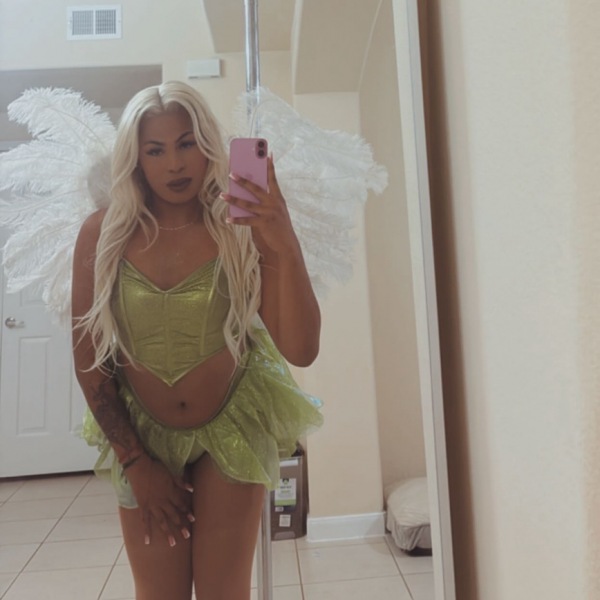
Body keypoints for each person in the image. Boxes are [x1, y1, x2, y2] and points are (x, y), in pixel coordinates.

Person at [71, 80, 323, 600]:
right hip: (141, 435)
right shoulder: (103, 233)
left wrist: (282, 238)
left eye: (186, 143)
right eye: (155, 150)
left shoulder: (240, 228)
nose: (175, 164)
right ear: (135, 158)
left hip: (232, 423)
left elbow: (302, 349)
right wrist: (136, 463)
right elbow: (90, 360)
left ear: (208, 143)